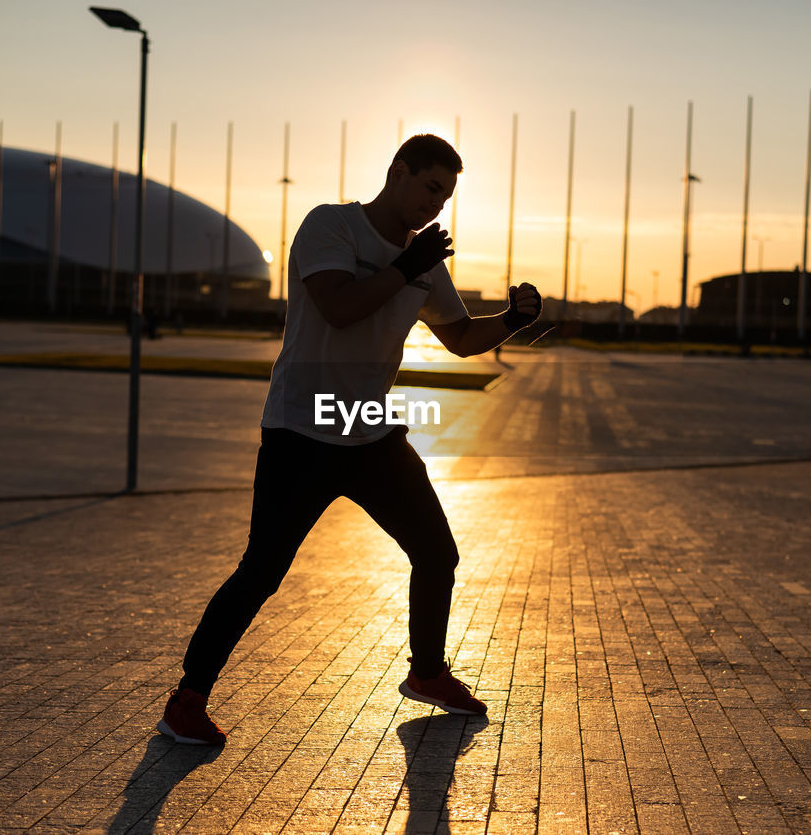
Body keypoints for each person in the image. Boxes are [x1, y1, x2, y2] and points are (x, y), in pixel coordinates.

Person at [157, 134, 542, 745]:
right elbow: (338, 307)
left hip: (365, 429)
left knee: (437, 553)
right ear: (398, 171)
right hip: (300, 430)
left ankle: (427, 673)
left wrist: (516, 321)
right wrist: (403, 269)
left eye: (446, 196)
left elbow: (463, 337)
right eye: (429, 188)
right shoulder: (331, 226)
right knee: (262, 571)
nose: (434, 206)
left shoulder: (421, 262)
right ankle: (187, 699)